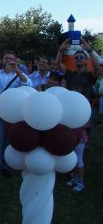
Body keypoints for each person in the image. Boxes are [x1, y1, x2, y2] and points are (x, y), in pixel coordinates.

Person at [56, 38, 99, 192]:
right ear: (73, 61)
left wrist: (89, 50)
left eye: (81, 57)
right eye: (76, 57)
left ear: (85, 60)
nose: (79, 59)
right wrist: (61, 50)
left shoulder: (89, 76)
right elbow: (57, 65)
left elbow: (98, 69)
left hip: (83, 118)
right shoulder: (70, 74)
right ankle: (73, 177)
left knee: (79, 151)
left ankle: (80, 181)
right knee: (71, 146)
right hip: (70, 116)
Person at [0, 51, 32, 177]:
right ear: (3, 60)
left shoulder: (19, 74)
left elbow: (28, 84)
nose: (9, 61)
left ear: (16, 61)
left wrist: (17, 71)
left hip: (13, 114)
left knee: (8, 142)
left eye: (12, 59)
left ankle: (5, 166)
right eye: (7, 58)